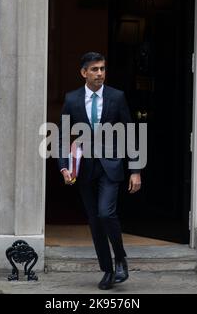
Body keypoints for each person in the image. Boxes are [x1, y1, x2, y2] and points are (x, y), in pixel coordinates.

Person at [58, 52, 142, 290]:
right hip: (84, 169)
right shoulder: (72, 99)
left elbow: (130, 133)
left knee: (106, 214)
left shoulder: (117, 97)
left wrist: (135, 169)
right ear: (84, 72)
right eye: (94, 69)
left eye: (102, 69)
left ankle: (121, 259)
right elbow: (63, 135)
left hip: (111, 166)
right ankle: (107, 270)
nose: (100, 73)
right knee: (95, 222)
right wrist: (64, 166)